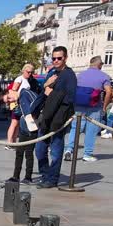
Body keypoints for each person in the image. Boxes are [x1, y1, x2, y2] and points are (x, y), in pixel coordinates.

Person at [34, 46, 76, 188]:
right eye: (54, 58)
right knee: (39, 149)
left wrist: (51, 93)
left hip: (58, 117)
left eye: (59, 58)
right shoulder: (52, 72)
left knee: (56, 149)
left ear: (65, 58)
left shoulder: (69, 75)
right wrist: (46, 85)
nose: (56, 61)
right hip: (45, 116)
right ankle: (45, 174)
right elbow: (43, 91)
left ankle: (52, 178)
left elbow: (69, 97)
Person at [68, 56, 113, 162]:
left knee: (75, 128)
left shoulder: (80, 75)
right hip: (94, 106)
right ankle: (87, 154)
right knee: (91, 130)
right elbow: (109, 92)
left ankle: (69, 150)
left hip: (79, 105)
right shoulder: (104, 76)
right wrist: (104, 106)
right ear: (99, 64)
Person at [7, 64, 40, 182]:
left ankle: (27, 177)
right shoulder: (20, 81)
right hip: (25, 120)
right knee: (21, 151)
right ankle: (17, 176)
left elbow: (34, 106)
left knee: (28, 152)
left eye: (31, 72)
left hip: (30, 121)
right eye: (28, 72)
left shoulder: (26, 93)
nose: (29, 74)